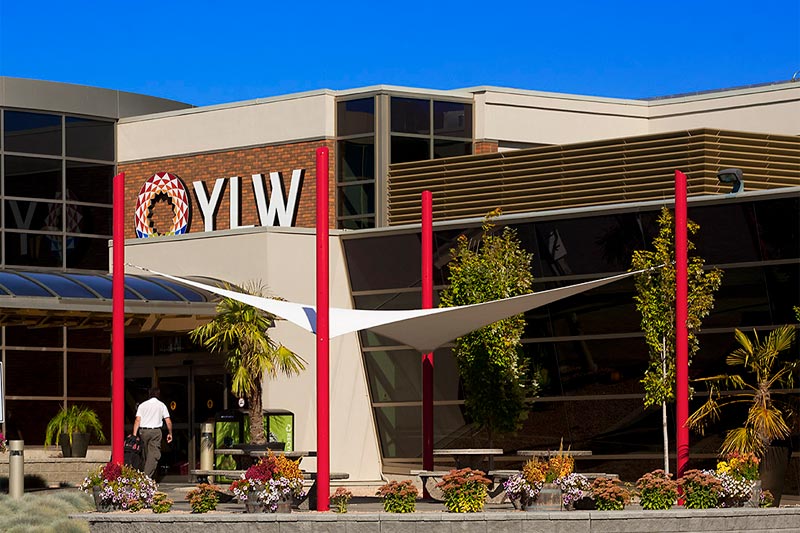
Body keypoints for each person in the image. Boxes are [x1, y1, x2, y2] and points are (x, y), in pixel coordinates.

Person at [131, 388, 173, 478]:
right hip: (155, 431)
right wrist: (170, 433)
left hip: (143, 431)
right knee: (153, 455)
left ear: (149, 394)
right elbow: (168, 421)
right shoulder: (161, 405)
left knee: (145, 454)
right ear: (158, 395)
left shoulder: (142, 405)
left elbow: (137, 420)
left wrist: (134, 435)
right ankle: (146, 477)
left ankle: (143, 474)